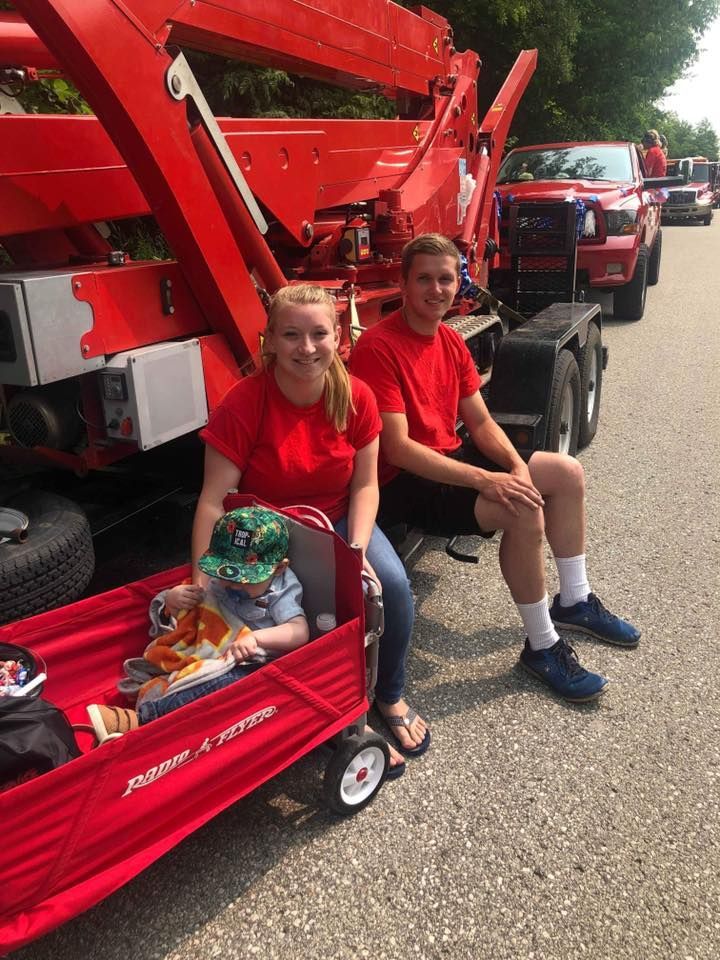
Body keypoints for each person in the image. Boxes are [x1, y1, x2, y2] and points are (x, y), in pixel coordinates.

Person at [349, 233, 640, 704]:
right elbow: (398, 449)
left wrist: (512, 465)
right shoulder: (379, 349)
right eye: (424, 278)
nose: (436, 289)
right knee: (523, 511)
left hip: (448, 460)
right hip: (404, 482)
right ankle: (541, 647)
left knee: (566, 474)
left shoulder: (448, 340)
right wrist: (491, 480)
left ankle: (574, 600)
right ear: (402, 283)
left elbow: (480, 422)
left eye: (446, 279)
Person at [190, 284, 429, 771]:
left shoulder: (356, 397)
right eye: (292, 334)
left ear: (338, 336)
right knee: (286, 616)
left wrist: (356, 549)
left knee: (393, 589)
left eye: (319, 333)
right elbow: (213, 501)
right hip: (266, 528)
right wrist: (200, 578)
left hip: (335, 519)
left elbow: (365, 487)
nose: (306, 347)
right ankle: (320, 710)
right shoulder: (244, 401)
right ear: (270, 340)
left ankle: (389, 694)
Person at [87, 506, 309, 739]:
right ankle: (163, 688)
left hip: (247, 663)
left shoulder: (281, 589)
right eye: (226, 575)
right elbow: (194, 610)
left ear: (279, 568)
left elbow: (299, 631)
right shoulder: (219, 577)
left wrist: (255, 637)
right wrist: (173, 601)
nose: (233, 585)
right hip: (207, 645)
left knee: (222, 686)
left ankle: (144, 719)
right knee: (176, 649)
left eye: (245, 580)